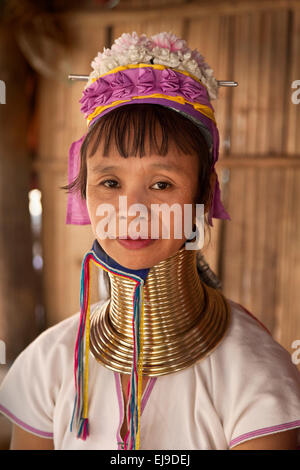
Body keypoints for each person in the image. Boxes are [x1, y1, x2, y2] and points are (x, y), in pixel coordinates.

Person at [0, 32, 299, 451]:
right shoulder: (48, 362)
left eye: (161, 183)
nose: (132, 210)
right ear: (85, 197)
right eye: (109, 182)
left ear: (203, 194)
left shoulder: (254, 371)